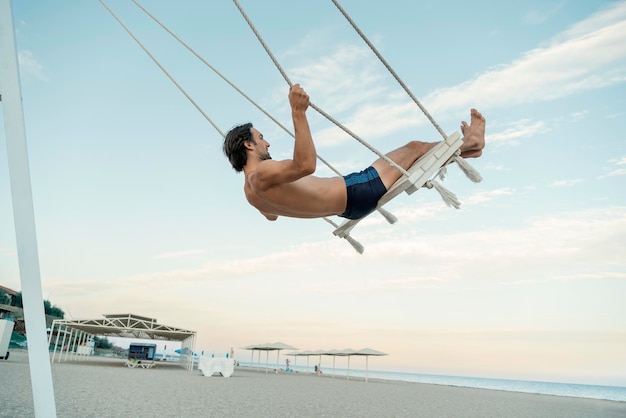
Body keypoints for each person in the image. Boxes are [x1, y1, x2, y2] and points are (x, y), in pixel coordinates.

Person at [223, 84, 485, 221]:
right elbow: (305, 165)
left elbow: (272, 216)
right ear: (248, 145)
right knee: (414, 148)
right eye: (261, 138)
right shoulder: (262, 173)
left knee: (415, 155)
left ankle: (467, 151)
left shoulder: (251, 194)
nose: (267, 143)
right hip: (357, 188)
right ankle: (469, 144)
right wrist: (298, 113)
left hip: (349, 210)